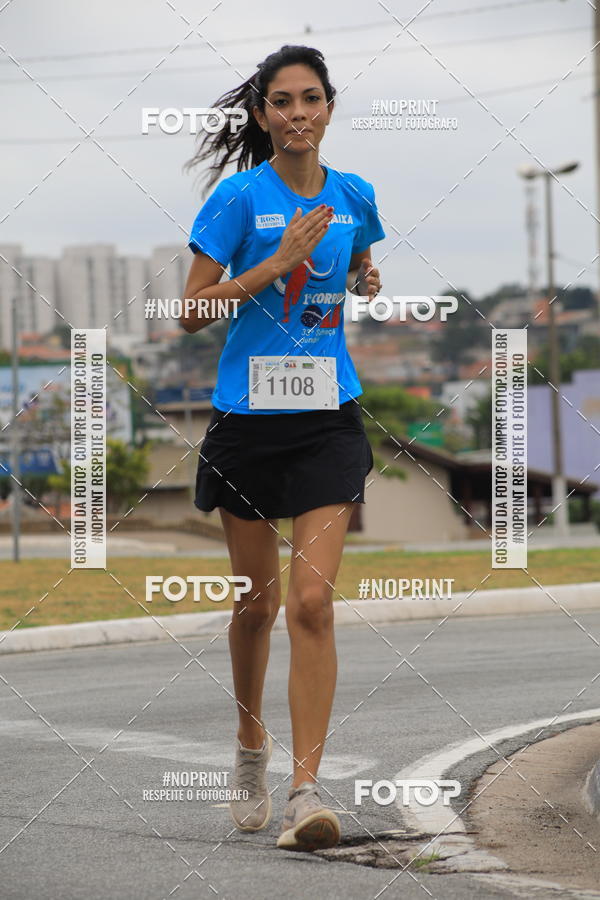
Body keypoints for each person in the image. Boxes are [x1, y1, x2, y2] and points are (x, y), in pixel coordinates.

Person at [181, 44, 385, 852]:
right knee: (257, 605)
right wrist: (276, 263)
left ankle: (306, 790)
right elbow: (191, 311)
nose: (298, 113)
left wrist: (363, 277)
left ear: (329, 107)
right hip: (247, 422)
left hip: (328, 417)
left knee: (311, 603)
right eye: (282, 101)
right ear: (263, 114)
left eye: (311, 98)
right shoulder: (238, 198)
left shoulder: (355, 193)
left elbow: (358, 257)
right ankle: (249, 744)